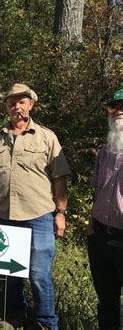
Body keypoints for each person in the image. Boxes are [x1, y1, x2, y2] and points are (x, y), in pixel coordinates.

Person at [0, 83, 70, 329]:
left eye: (21, 102)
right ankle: (15, 315)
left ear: (31, 105)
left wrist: (61, 213)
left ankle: (45, 321)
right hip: (4, 215)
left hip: (40, 216)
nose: (17, 107)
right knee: (10, 272)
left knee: (38, 274)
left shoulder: (47, 137)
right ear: (6, 107)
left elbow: (60, 176)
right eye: (12, 103)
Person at [87, 89, 123, 330]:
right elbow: (98, 189)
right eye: (114, 107)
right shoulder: (106, 151)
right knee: (107, 301)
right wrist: (91, 224)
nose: (118, 111)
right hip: (100, 234)